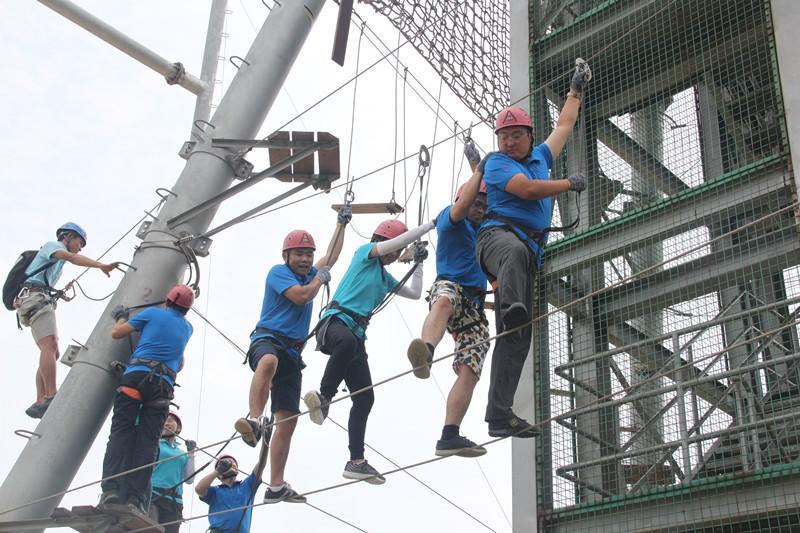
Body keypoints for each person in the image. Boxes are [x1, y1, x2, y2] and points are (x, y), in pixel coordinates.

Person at [476, 60, 591, 438]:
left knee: (518, 338)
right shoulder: (495, 164)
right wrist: (567, 184)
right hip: (496, 238)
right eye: (503, 137)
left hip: (525, 253)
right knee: (515, 255)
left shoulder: (541, 156)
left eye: (515, 136)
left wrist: (575, 90)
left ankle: (499, 415)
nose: (508, 143)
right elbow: (526, 190)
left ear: (529, 135)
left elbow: (564, 126)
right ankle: (511, 306)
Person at [303, 217, 433, 485]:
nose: (396, 255)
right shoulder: (365, 254)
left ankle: (356, 461)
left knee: (365, 399)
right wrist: (430, 226)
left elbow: (415, 293)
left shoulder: (384, 278)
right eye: (393, 249)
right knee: (348, 343)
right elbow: (395, 244)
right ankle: (325, 397)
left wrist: (419, 263)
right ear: (381, 241)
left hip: (355, 336)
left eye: (399, 252)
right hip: (335, 323)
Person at [234, 207, 349, 504]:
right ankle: (254, 419)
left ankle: (276, 485)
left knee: (288, 420)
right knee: (268, 362)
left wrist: (341, 224)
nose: (305, 259)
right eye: (299, 254)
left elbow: (331, 256)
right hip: (268, 340)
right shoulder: (279, 273)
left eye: (308, 255)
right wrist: (319, 279)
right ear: (286, 255)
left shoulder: (311, 273)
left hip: (293, 354)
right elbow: (302, 296)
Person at [407, 142, 491, 457]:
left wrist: (477, 167)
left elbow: (491, 197)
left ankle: (449, 435)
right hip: (451, 287)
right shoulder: (451, 219)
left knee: (471, 367)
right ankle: (426, 351)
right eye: (475, 204)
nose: (480, 210)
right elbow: (467, 200)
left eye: (484, 207)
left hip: (474, 305)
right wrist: (478, 170)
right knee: (444, 299)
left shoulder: (484, 229)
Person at [99, 284, 195, 514]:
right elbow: (180, 363)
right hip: (162, 386)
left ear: (168, 300)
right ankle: (135, 497)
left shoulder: (152, 313)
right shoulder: (188, 328)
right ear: (187, 309)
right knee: (148, 443)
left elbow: (117, 333)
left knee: (121, 433)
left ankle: (111, 490)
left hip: (136, 377)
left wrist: (122, 317)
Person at [15, 222, 119, 418]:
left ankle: (40, 400)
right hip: (36, 298)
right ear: (68, 236)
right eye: (80, 242)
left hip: (34, 298)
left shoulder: (56, 260)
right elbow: (72, 257)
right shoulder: (53, 247)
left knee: (52, 351)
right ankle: (50, 395)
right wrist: (100, 265)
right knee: (50, 345)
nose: (80, 248)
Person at [196, 445, 268, 533]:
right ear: (219, 475)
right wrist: (217, 471)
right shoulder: (215, 491)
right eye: (225, 464)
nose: (231, 464)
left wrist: (265, 443)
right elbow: (199, 489)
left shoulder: (247, 486)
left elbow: (261, 463)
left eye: (233, 462)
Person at [149, 412, 196, 532]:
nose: (166, 423)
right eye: (164, 420)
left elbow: (189, 479)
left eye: (170, 420)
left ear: (178, 428)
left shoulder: (181, 454)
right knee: (149, 529)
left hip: (174, 501)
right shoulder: (154, 444)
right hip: (153, 495)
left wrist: (191, 454)